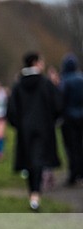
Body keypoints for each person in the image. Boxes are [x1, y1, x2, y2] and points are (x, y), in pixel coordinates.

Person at [7, 52, 62, 211]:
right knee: (38, 160)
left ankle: (33, 193)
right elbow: (58, 105)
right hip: (43, 128)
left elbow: (11, 110)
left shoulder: (18, 86)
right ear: (36, 63)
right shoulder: (46, 84)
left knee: (29, 162)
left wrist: (18, 124)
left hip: (25, 129)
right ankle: (36, 195)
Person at [59, 53, 83, 187]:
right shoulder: (81, 79)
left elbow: (61, 100)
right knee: (80, 146)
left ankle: (73, 174)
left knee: (71, 147)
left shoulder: (65, 81)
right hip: (81, 116)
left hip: (69, 118)